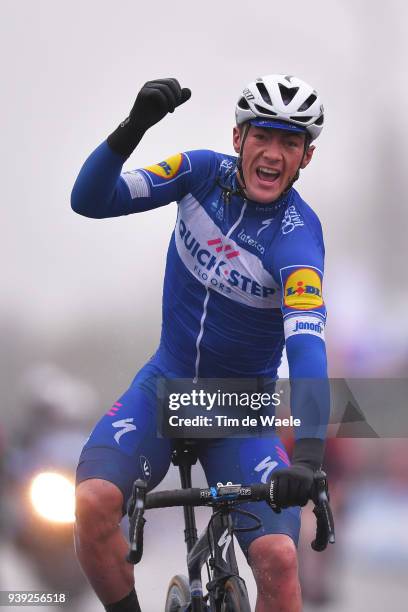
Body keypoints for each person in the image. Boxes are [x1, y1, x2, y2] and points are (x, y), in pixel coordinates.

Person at [72, 74, 329, 612]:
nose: (274, 153)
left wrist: (307, 457)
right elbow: (90, 200)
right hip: (166, 388)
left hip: (238, 410)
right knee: (94, 505)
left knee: (280, 559)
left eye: (291, 143)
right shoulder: (198, 173)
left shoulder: (297, 237)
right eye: (264, 135)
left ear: (305, 157)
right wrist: (133, 127)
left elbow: (307, 348)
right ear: (239, 138)